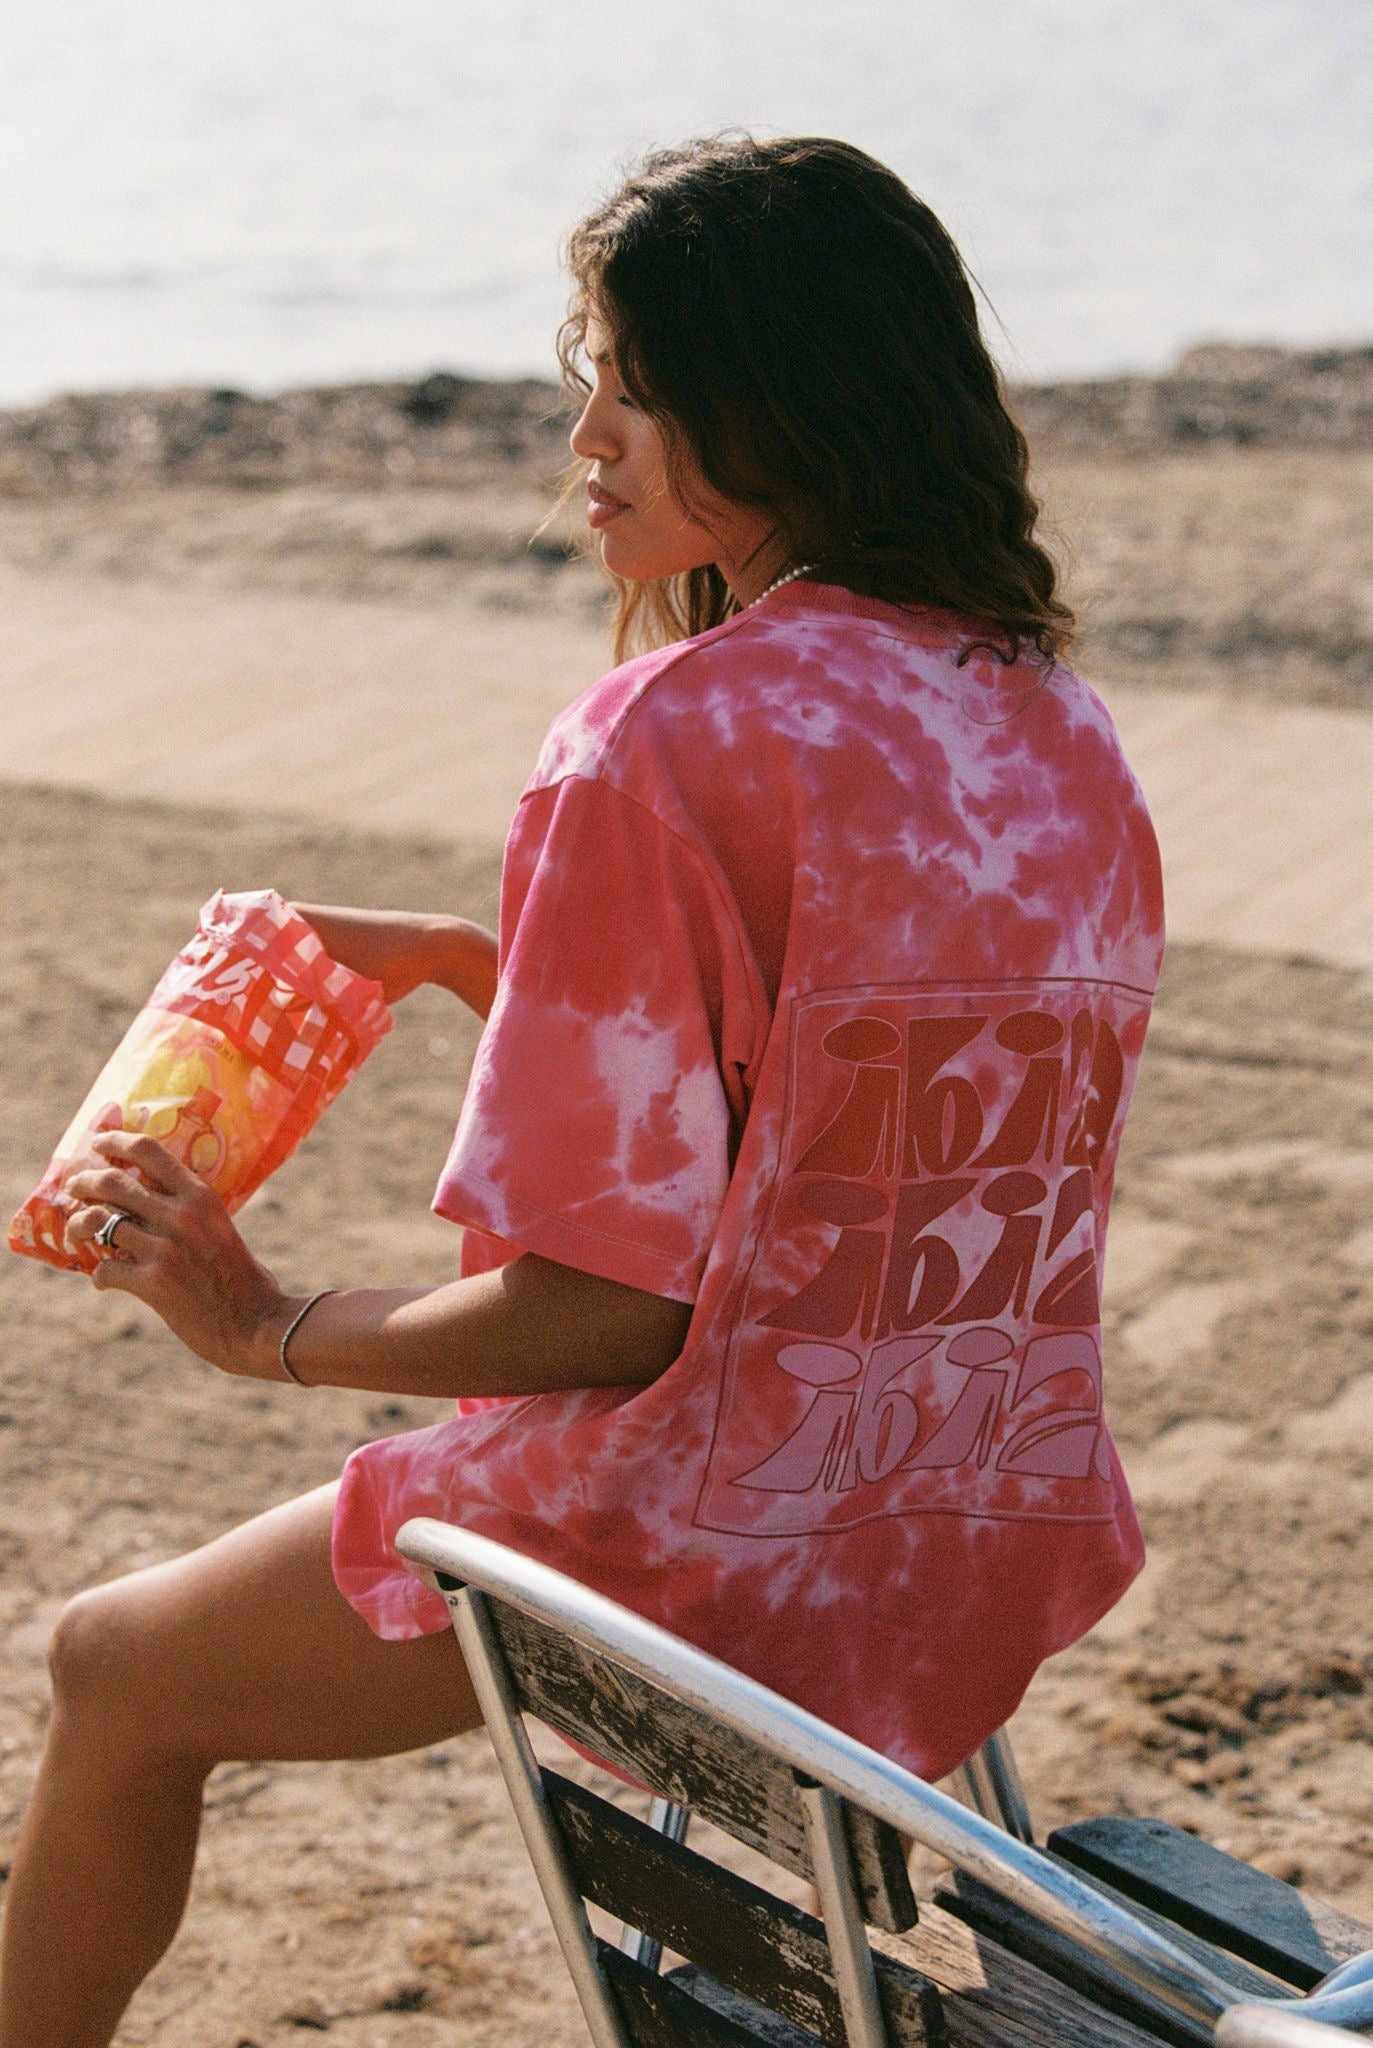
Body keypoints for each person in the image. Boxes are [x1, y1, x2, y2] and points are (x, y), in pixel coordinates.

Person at [0, 134, 1164, 2046]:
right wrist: (489, 962)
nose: (588, 437)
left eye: (633, 382)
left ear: (775, 391)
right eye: (584, 380)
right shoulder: (1046, 715)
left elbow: (607, 1316)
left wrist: (260, 1322)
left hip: (715, 1548)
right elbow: (846, 1107)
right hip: (965, 1517)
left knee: (112, 1668)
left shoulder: (659, 739)